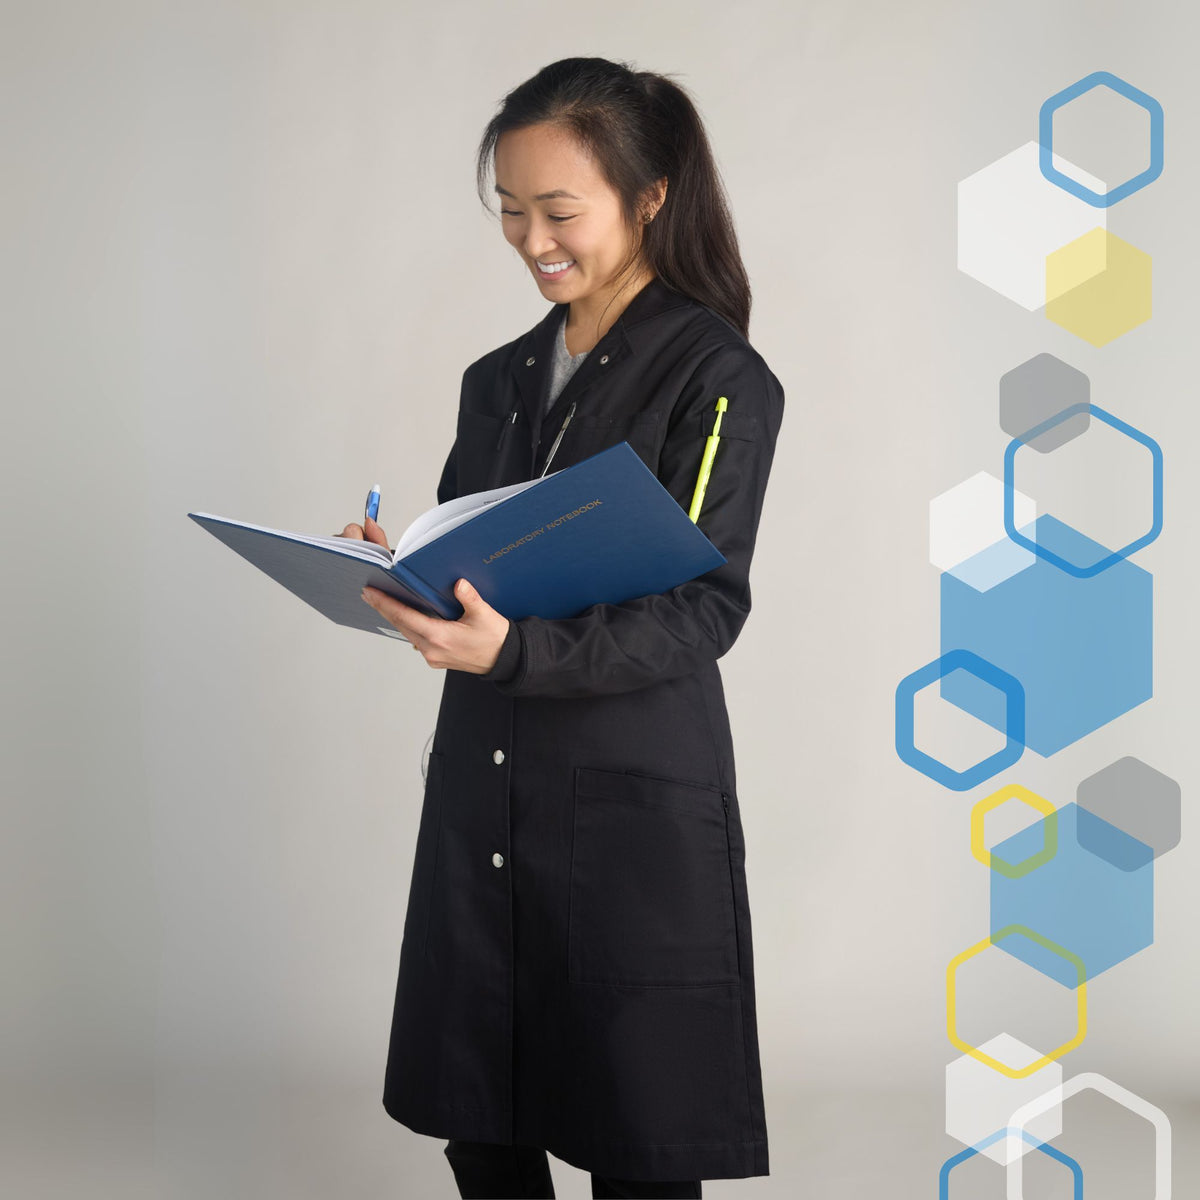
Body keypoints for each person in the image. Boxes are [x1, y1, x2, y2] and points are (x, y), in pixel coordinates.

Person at [339, 57, 785, 1200]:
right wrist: (401, 577)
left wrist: (517, 650)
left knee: (635, 1131)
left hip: (627, 801)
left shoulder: (714, 375)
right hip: (487, 780)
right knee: (481, 1115)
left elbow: (700, 606)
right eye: (510, 211)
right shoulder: (497, 379)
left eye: (558, 211)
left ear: (649, 198)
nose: (531, 238)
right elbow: (473, 556)